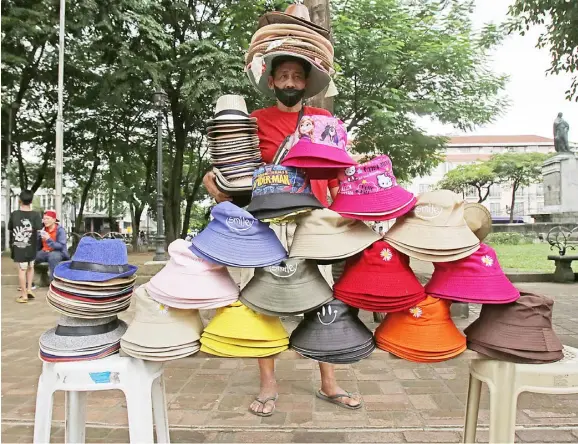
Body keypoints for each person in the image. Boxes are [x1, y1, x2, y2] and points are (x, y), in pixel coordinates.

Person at [203, 55, 362, 416]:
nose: (290, 82)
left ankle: (329, 382)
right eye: (283, 76)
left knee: (322, 298)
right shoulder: (251, 122)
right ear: (271, 81)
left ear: (306, 83)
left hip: (314, 222)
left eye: (296, 76)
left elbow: (338, 175)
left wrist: (343, 218)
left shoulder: (325, 121)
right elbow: (233, 172)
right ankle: (268, 385)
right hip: (263, 220)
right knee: (262, 299)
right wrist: (216, 189)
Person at [8, 190, 43, 303]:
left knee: (22, 270)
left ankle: (23, 296)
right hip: (31, 247)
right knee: (30, 267)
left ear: (20, 201)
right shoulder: (36, 215)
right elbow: (38, 228)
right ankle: (29, 290)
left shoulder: (14, 214)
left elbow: (10, 228)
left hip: (18, 247)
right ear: (31, 201)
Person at [36, 209, 70, 281]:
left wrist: (48, 239)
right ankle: (31, 281)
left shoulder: (60, 230)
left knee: (53, 257)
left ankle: (54, 282)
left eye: (47, 219)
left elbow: (60, 246)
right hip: (44, 251)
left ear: (54, 220)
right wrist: (37, 236)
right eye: (44, 219)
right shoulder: (43, 229)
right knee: (31, 257)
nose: (45, 221)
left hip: (58, 252)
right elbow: (38, 246)